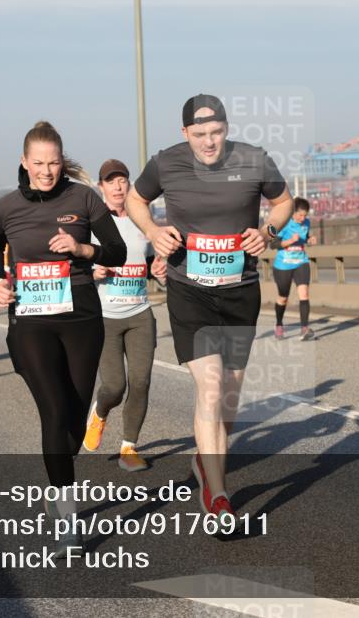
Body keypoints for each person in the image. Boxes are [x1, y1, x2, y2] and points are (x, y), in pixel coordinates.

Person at [125, 94, 292, 517]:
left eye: (216, 132)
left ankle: (205, 459)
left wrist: (267, 230)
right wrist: (152, 230)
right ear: (185, 133)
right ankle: (218, 497)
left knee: (230, 394)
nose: (209, 142)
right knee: (212, 385)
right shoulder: (166, 162)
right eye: (199, 134)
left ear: (227, 128)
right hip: (189, 287)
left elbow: (284, 201)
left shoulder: (254, 159)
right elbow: (134, 199)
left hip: (241, 289)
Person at [0, 121, 126, 555]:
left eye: (54, 162)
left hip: (81, 314)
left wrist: (84, 251)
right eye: (39, 163)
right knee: (53, 410)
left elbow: (116, 251)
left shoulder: (83, 198)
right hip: (30, 319)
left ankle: (55, 480)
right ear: (24, 162)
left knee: (74, 416)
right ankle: (68, 519)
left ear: (63, 161)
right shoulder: (3, 208)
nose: (47, 171)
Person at [83, 159, 167, 471]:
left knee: (141, 381)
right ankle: (100, 412)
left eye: (123, 180)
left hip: (140, 313)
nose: (118, 187)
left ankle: (128, 448)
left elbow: (149, 262)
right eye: (111, 181)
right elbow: (76, 265)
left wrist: (158, 271)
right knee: (114, 386)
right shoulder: (93, 222)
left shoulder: (142, 218)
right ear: (101, 187)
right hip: (104, 316)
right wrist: (93, 272)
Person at [272, 197, 318, 341]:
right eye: (299, 215)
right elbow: (273, 244)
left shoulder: (306, 223)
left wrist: (310, 240)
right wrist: (290, 241)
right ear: (293, 212)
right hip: (283, 265)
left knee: (304, 294)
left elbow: (305, 237)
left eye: (305, 215)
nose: (302, 218)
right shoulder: (284, 223)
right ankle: (279, 324)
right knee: (283, 298)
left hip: (301, 262)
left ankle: (304, 329)